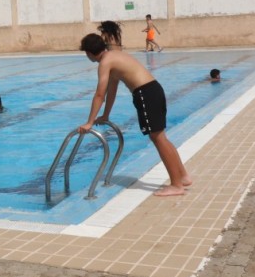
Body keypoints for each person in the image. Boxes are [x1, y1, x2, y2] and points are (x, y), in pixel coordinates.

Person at [78, 33, 191, 197]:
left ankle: (176, 185)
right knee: (161, 137)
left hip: (145, 94)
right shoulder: (114, 56)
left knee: (158, 138)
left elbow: (99, 94)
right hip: (154, 89)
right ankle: (183, 176)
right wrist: (105, 115)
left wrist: (89, 122)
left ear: (89, 52)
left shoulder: (105, 62)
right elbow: (112, 89)